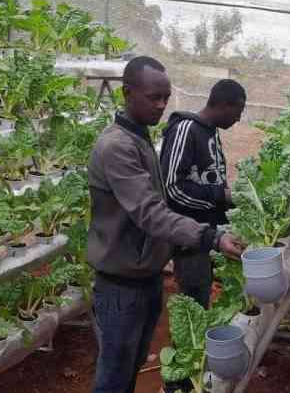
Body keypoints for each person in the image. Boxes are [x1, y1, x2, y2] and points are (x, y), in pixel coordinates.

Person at [87, 56, 244, 393]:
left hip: (145, 278)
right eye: (153, 97)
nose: (161, 105)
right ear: (127, 93)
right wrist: (210, 237)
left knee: (130, 366)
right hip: (120, 285)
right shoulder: (117, 146)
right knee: (114, 375)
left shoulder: (140, 138)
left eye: (165, 98)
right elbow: (151, 213)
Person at [159, 79, 246, 309]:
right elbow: (172, 188)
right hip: (189, 237)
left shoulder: (210, 133)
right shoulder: (185, 129)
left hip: (209, 235)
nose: (238, 119)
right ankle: (188, 345)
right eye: (238, 111)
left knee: (203, 294)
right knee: (193, 305)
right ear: (224, 104)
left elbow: (209, 178)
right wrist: (222, 195)